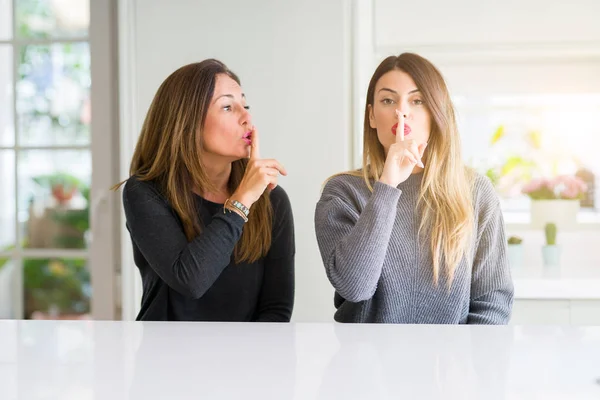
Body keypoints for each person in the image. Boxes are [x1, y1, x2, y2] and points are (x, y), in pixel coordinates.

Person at [314, 53, 513, 324]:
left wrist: (467, 360)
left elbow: (492, 301)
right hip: (363, 364)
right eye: (388, 100)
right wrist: (387, 185)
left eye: (417, 101)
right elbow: (354, 288)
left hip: (450, 363)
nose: (402, 111)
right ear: (372, 116)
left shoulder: (475, 190)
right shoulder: (342, 192)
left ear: (435, 113)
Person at [115, 59, 295, 321]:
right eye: (227, 107)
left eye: (245, 105)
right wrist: (241, 202)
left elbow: (276, 310)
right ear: (187, 121)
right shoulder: (145, 193)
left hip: (247, 359)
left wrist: (251, 362)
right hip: (163, 358)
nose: (247, 117)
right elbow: (190, 281)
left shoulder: (271, 200)